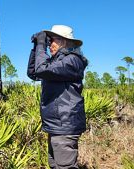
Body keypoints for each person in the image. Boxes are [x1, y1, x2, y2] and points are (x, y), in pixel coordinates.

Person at [27, 25, 88, 169]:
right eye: (48, 41)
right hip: (57, 125)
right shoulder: (56, 63)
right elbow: (33, 72)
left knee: (64, 167)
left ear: (64, 41)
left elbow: (42, 69)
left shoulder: (72, 60)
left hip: (64, 125)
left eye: (52, 40)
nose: (49, 44)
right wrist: (37, 47)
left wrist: (41, 44)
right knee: (55, 165)